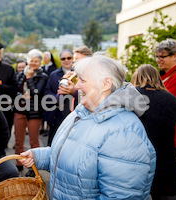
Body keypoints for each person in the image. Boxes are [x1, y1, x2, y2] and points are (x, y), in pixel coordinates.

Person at [20, 55, 156, 199]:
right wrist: (38, 156)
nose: (76, 86)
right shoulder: (80, 112)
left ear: (105, 84)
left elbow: (121, 196)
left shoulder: (124, 132)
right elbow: (73, 155)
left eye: (82, 80)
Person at [132, 64, 176, 200]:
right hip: (166, 168)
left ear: (137, 77)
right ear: (158, 79)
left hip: (135, 167)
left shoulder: (129, 98)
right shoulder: (171, 100)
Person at [14, 49, 48, 175]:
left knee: (34, 141)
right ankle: (18, 165)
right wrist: (21, 96)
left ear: (40, 62)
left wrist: (29, 78)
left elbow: (37, 93)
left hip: (34, 111)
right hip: (20, 109)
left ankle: (34, 167)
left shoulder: (42, 76)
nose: (33, 63)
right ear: (28, 61)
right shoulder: (21, 73)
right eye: (31, 60)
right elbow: (15, 89)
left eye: (36, 61)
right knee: (18, 139)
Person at [45, 49, 78, 146]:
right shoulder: (54, 74)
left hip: (73, 112)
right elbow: (47, 91)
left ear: (73, 59)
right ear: (60, 60)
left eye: (69, 58)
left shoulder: (79, 74)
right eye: (63, 58)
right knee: (52, 143)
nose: (66, 60)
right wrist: (56, 97)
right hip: (56, 114)